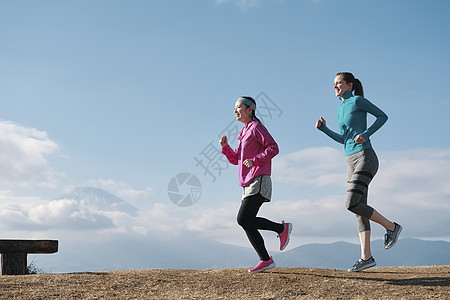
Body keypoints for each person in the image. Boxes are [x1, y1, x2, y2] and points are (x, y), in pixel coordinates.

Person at [315, 72, 402, 272]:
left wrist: (366, 134)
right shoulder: (339, 109)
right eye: (334, 84)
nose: (335, 86)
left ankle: (392, 227)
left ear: (349, 85)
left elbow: (383, 116)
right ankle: (366, 257)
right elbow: (344, 139)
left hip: (366, 157)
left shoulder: (357, 101)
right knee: (358, 208)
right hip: (350, 161)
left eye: (338, 83)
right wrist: (324, 130)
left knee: (351, 203)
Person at [220, 96, 292, 273]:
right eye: (234, 108)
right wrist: (225, 148)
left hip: (259, 179)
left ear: (250, 109)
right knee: (246, 222)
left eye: (238, 107)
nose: (235, 111)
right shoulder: (244, 131)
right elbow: (238, 159)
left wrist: (255, 160)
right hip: (248, 182)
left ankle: (281, 228)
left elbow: (274, 148)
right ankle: (265, 259)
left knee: (243, 219)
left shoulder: (256, 127)